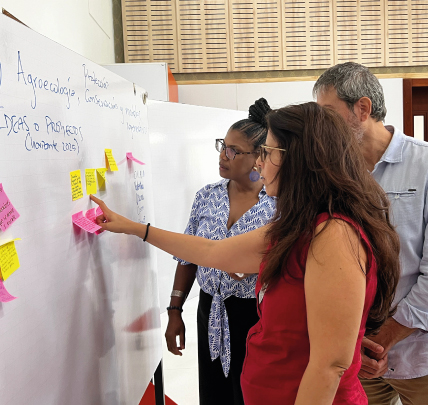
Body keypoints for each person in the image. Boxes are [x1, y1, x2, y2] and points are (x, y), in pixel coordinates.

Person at [90, 102, 400, 405]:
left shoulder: (333, 235)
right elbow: (213, 252)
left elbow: (330, 366)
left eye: (268, 152)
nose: (260, 164)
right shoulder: (296, 225)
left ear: (300, 160)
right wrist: (133, 227)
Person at [314, 62, 428, 405]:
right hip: (354, 357)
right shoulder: (331, 176)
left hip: (417, 356)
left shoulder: (423, 165)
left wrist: (384, 337)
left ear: (362, 109)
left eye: (328, 113)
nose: (321, 127)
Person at [165, 98, 276, 405]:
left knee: (251, 395)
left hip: (256, 316)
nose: (223, 156)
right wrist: (175, 312)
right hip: (209, 309)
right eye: (222, 146)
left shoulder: (278, 204)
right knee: (213, 395)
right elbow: (188, 257)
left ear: (259, 157)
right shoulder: (206, 197)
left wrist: (253, 270)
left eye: (233, 151)